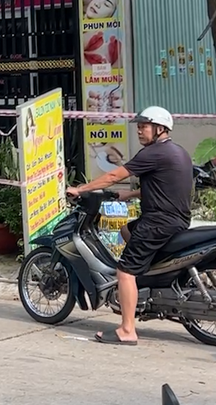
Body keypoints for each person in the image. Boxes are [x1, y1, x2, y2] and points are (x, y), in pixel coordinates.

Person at [66, 106, 193, 346]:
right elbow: (167, 187)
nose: (139, 131)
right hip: (175, 220)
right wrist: (132, 194)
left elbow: (113, 176)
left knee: (125, 271)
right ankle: (141, 283)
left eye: (144, 126)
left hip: (157, 223)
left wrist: (80, 189)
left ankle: (127, 330)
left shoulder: (153, 153)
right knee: (126, 231)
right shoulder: (178, 152)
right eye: (138, 127)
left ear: (160, 128)